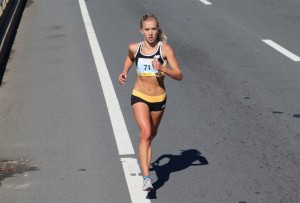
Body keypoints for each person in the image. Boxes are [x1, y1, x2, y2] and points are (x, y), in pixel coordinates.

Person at [118, 14, 183, 191]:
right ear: (141, 31)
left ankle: (144, 150)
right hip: (139, 95)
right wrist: (124, 71)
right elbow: (130, 57)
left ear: (157, 29)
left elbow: (179, 75)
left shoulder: (165, 50)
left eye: (153, 29)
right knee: (145, 133)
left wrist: (163, 68)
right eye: (147, 29)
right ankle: (146, 178)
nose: (151, 33)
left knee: (151, 134)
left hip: (159, 99)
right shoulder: (134, 47)